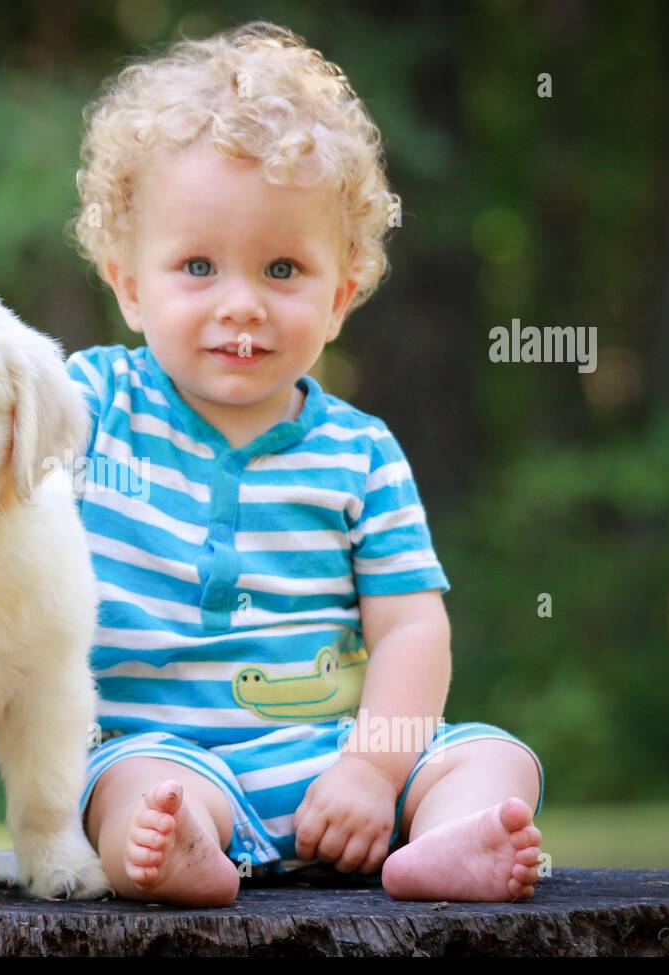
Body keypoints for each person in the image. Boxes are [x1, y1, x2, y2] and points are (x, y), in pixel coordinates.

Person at [62, 21, 544, 906]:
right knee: (124, 785)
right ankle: (186, 854)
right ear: (129, 283)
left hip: (339, 773)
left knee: (495, 755)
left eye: (282, 268)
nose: (240, 304)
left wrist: (371, 767)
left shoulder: (359, 453)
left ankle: (443, 844)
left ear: (341, 294)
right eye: (197, 266)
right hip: (169, 753)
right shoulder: (90, 408)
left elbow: (409, 628)